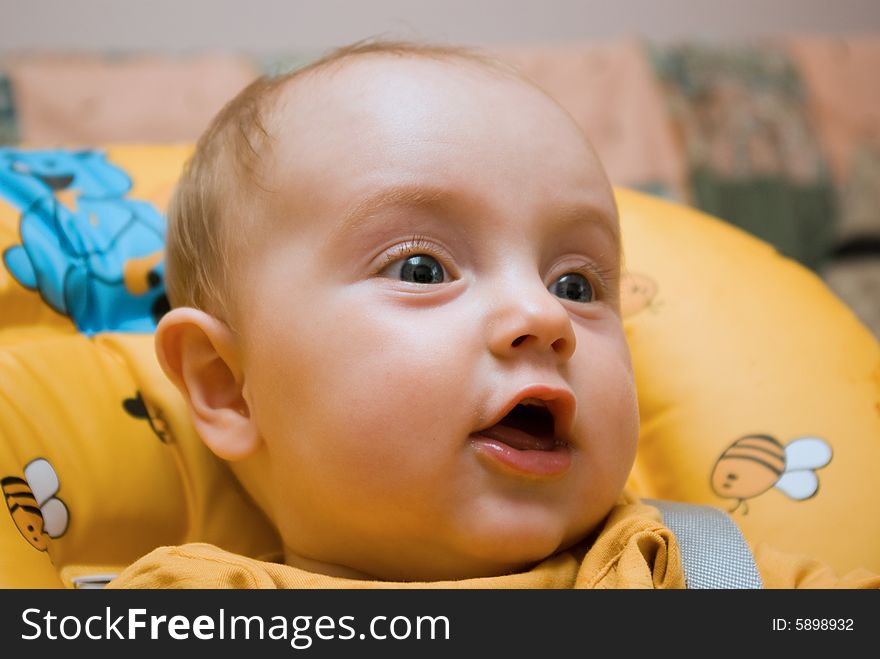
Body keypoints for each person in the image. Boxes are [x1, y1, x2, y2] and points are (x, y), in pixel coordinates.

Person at [107, 40, 878, 589]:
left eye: (577, 283)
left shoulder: (695, 570)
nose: (545, 316)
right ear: (228, 386)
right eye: (421, 268)